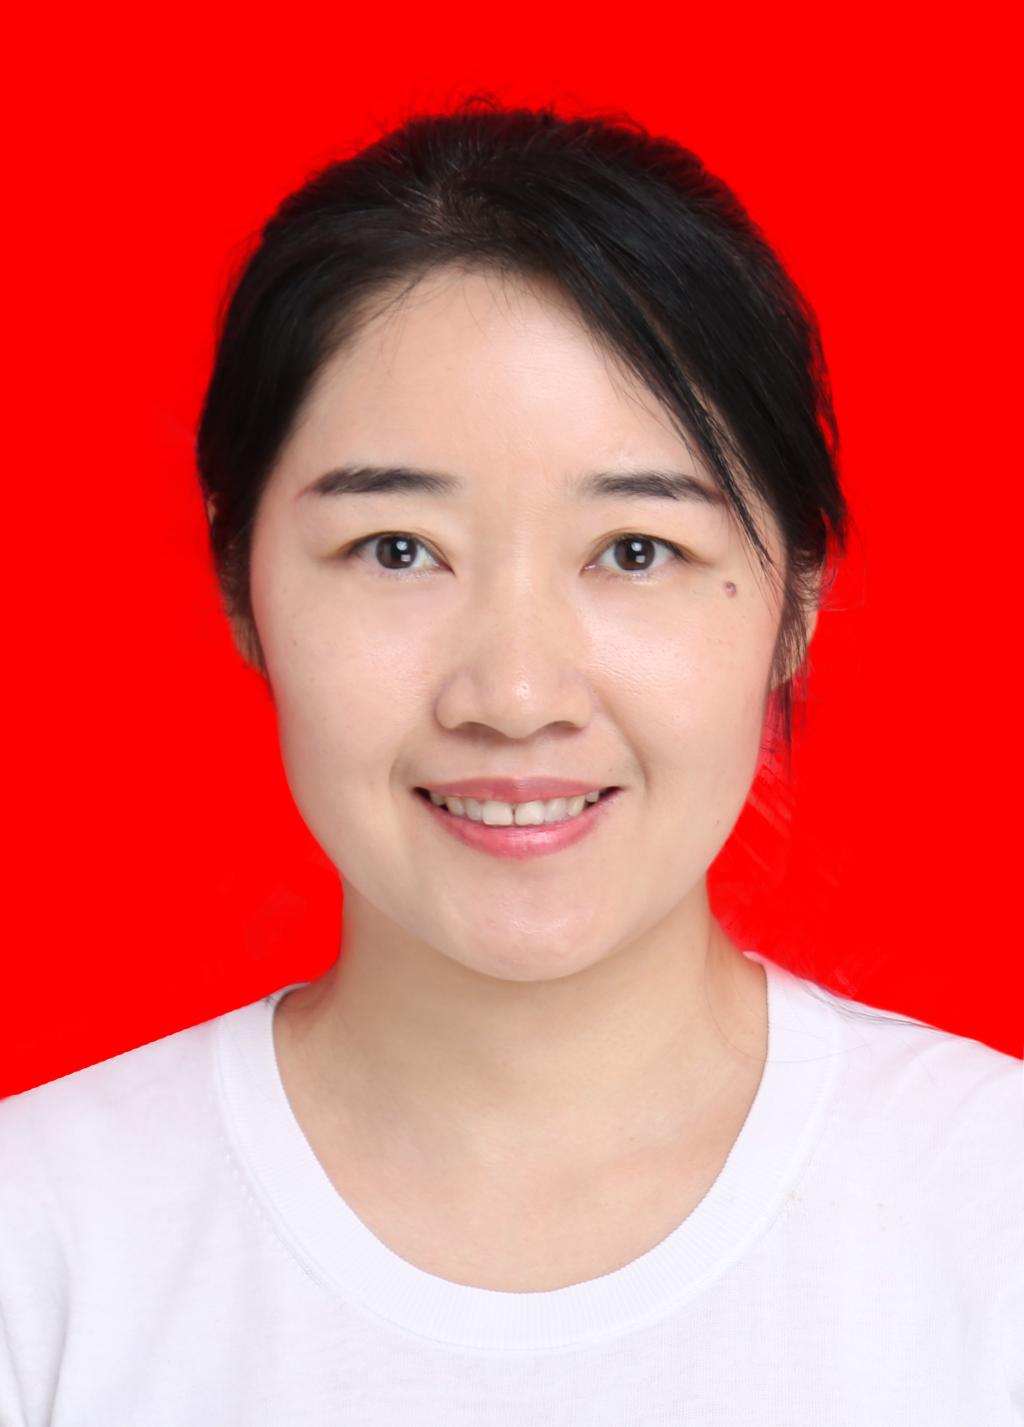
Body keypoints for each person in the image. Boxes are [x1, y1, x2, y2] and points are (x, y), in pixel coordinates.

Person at [1, 94, 1020, 1425]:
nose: (516, 695)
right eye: (397, 551)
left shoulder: (989, 1212)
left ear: (798, 600)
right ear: (240, 580)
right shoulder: (45, 1247)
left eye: (637, 551)